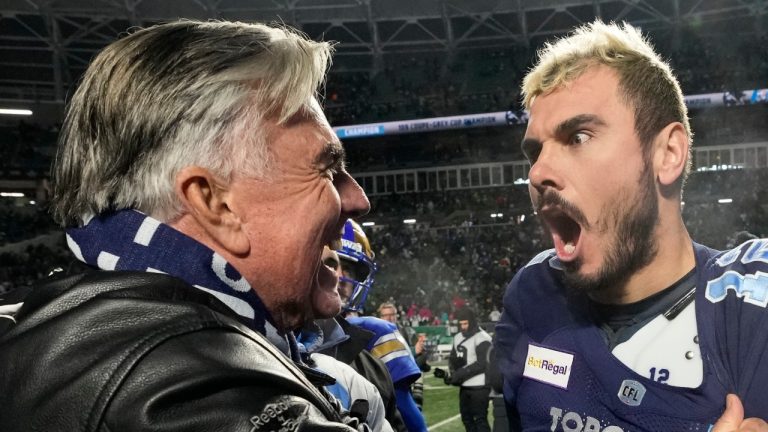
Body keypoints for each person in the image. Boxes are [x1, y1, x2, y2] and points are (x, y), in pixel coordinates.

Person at [0, 20, 372, 431]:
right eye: (328, 170)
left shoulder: (50, 326)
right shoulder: (205, 391)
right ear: (214, 203)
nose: (358, 200)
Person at [494, 20, 768, 431]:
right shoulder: (532, 294)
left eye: (579, 136)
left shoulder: (751, 300)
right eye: (535, 151)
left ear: (668, 153)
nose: (537, 172)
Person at [436, 307, 492, 432]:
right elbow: (454, 359)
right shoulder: (457, 338)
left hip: (480, 386)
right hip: (465, 386)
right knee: (467, 420)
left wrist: (460, 374)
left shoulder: (483, 338)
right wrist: (450, 375)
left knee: (480, 420)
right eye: (461, 324)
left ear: (472, 321)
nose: (463, 327)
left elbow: (482, 364)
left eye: (466, 323)